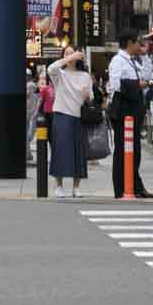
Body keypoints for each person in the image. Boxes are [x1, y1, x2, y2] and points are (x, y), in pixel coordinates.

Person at [107, 27, 153, 200]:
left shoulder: (132, 60)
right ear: (130, 43)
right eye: (138, 42)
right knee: (123, 150)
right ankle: (121, 188)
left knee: (135, 150)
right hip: (123, 108)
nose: (141, 44)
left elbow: (146, 74)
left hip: (134, 107)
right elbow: (116, 85)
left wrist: (144, 55)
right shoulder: (118, 60)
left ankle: (136, 185)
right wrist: (137, 85)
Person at [45, 46, 93, 199]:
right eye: (66, 53)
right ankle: (59, 186)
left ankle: (76, 187)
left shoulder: (85, 75)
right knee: (60, 150)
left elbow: (91, 97)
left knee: (78, 152)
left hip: (79, 116)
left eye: (72, 53)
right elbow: (51, 68)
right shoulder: (60, 73)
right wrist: (68, 59)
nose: (70, 55)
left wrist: (87, 96)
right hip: (62, 114)